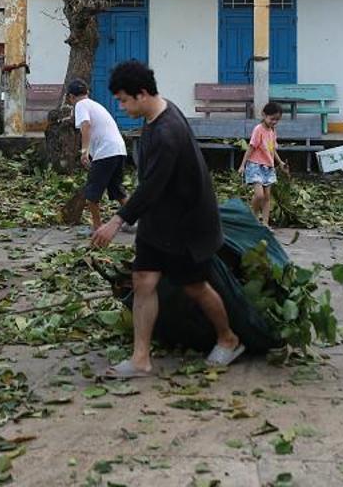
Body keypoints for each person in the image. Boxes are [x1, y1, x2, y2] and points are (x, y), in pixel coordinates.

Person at [91, 60, 244, 378]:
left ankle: (229, 339)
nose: (121, 107)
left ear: (142, 93)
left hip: (185, 224)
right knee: (143, 280)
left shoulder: (167, 132)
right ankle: (140, 359)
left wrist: (116, 221)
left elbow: (151, 187)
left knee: (195, 286)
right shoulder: (155, 114)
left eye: (123, 100)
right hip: (158, 220)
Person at [65, 78, 128, 230]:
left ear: (71, 97)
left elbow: (86, 125)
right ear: (87, 92)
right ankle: (136, 220)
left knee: (92, 193)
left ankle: (97, 226)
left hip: (105, 152)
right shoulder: (95, 105)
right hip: (119, 149)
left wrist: (84, 151)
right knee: (117, 190)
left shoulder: (80, 105)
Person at [238, 102, 290, 227]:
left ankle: (265, 223)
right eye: (272, 119)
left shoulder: (272, 131)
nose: (274, 122)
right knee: (259, 195)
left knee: (267, 197)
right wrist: (242, 165)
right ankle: (254, 217)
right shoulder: (258, 129)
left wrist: (280, 162)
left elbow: (272, 149)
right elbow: (251, 148)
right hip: (255, 166)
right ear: (264, 115)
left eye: (277, 120)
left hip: (268, 167)